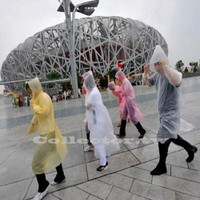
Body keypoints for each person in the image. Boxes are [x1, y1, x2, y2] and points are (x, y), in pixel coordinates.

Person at [143, 45, 197, 175]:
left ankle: (162, 166)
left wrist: (166, 66)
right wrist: (145, 72)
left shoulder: (171, 72)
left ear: (164, 62)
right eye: (154, 64)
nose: (157, 66)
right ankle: (190, 148)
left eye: (159, 63)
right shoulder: (157, 75)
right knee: (171, 135)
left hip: (172, 113)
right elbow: (146, 83)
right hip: (163, 113)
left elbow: (177, 81)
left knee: (162, 136)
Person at [26, 77, 67, 200]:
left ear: (35, 87)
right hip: (48, 130)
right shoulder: (37, 98)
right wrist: (33, 124)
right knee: (55, 153)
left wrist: (33, 107)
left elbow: (44, 112)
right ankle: (61, 176)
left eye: (30, 90)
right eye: (28, 91)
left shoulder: (43, 97)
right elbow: (38, 116)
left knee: (36, 163)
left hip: (48, 133)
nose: (30, 92)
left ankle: (43, 186)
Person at [83, 71, 120, 172]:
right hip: (98, 119)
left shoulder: (93, 93)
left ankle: (103, 163)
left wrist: (86, 101)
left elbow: (87, 106)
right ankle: (104, 157)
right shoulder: (94, 90)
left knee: (97, 140)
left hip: (96, 121)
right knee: (99, 140)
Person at [115, 68, 146, 139]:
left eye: (118, 78)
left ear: (121, 76)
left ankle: (142, 131)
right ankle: (122, 133)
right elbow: (122, 91)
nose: (118, 79)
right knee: (124, 116)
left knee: (132, 118)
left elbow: (125, 92)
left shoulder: (125, 82)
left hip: (130, 101)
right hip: (127, 101)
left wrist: (121, 91)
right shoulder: (123, 82)